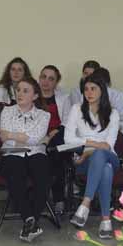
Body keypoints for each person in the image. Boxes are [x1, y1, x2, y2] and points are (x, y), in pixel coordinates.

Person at [67, 75, 121, 238]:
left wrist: (89, 149)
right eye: (86, 89)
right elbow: (68, 139)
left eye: (93, 89)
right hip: (84, 161)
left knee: (102, 156)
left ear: (102, 91)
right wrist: (94, 144)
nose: (89, 93)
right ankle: (106, 220)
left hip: (109, 156)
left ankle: (85, 203)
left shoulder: (113, 113)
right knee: (105, 169)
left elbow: (109, 145)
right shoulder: (76, 109)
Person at [0, 77, 52, 242]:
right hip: (12, 153)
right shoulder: (7, 111)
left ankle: (31, 221)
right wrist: (24, 137)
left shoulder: (44, 115)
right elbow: (4, 138)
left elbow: (35, 139)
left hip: (36, 153)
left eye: (25, 91)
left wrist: (12, 135)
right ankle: (30, 219)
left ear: (35, 96)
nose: (20, 93)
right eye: (18, 90)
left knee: (43, 176)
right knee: (15, 173)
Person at [38, 65, 73, 213]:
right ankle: (40, 198)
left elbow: (67, 122)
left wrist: (51, 135)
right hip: (36, 136)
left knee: (56, 152)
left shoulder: (64, 98)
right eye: (43, 77)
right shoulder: (32, 96)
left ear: (56, 82)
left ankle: (58, 199)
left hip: (58, 135)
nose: (46, 81)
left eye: (51, 79)